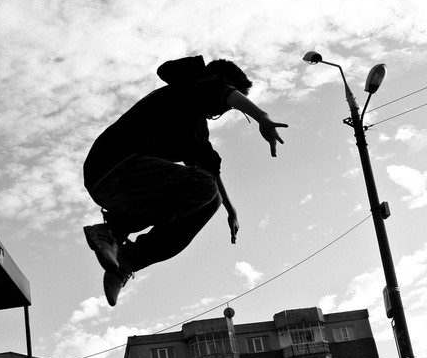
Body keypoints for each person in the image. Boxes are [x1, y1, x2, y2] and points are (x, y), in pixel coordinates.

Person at [82, 56, 288, 306]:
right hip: (111, 165)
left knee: (210, 199)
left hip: (120, 184)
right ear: (219, 83)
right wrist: (262, 117)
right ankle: (113, 230)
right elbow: (222, 92)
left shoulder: (196, 129)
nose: (223, 110)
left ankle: (124, 263)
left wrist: (230, 209)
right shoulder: (191, 85)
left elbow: (209, 169)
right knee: (204, 188)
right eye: (228, 105)